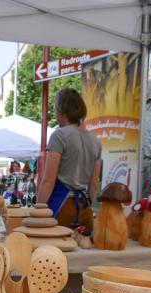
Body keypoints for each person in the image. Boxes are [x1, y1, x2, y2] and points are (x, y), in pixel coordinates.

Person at [37, 88, 101, 229]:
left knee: (54, 244)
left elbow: (48, 181)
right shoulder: (95, 140)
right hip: (84, 207)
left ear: (61, 111)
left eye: (55, 108)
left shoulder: (59, 135)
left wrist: (37, 211)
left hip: (61, 207)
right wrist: (88, 206)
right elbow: (93, 184)